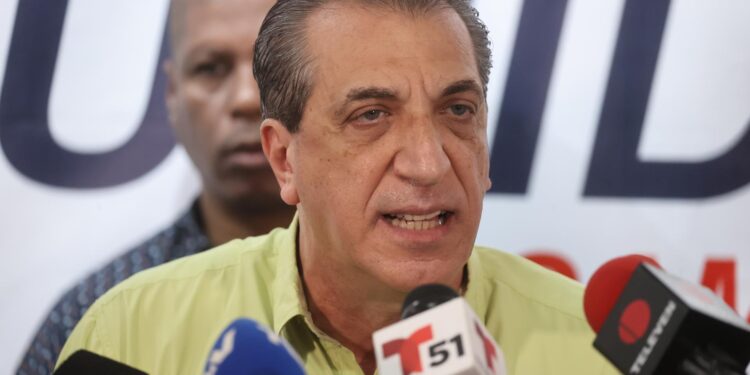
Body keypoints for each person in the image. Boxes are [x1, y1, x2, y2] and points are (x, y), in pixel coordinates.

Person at [55, 1, 617, 374]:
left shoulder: (600, 349)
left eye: (458, 109)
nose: (428, 164)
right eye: (371, 115)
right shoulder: (132, 334)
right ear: (284, 159)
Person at [16, 0, 290, 373]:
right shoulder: (96, 320)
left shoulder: (390, 286)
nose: (246, 98)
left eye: (270, 68)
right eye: (211, 68)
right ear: (172, 94)